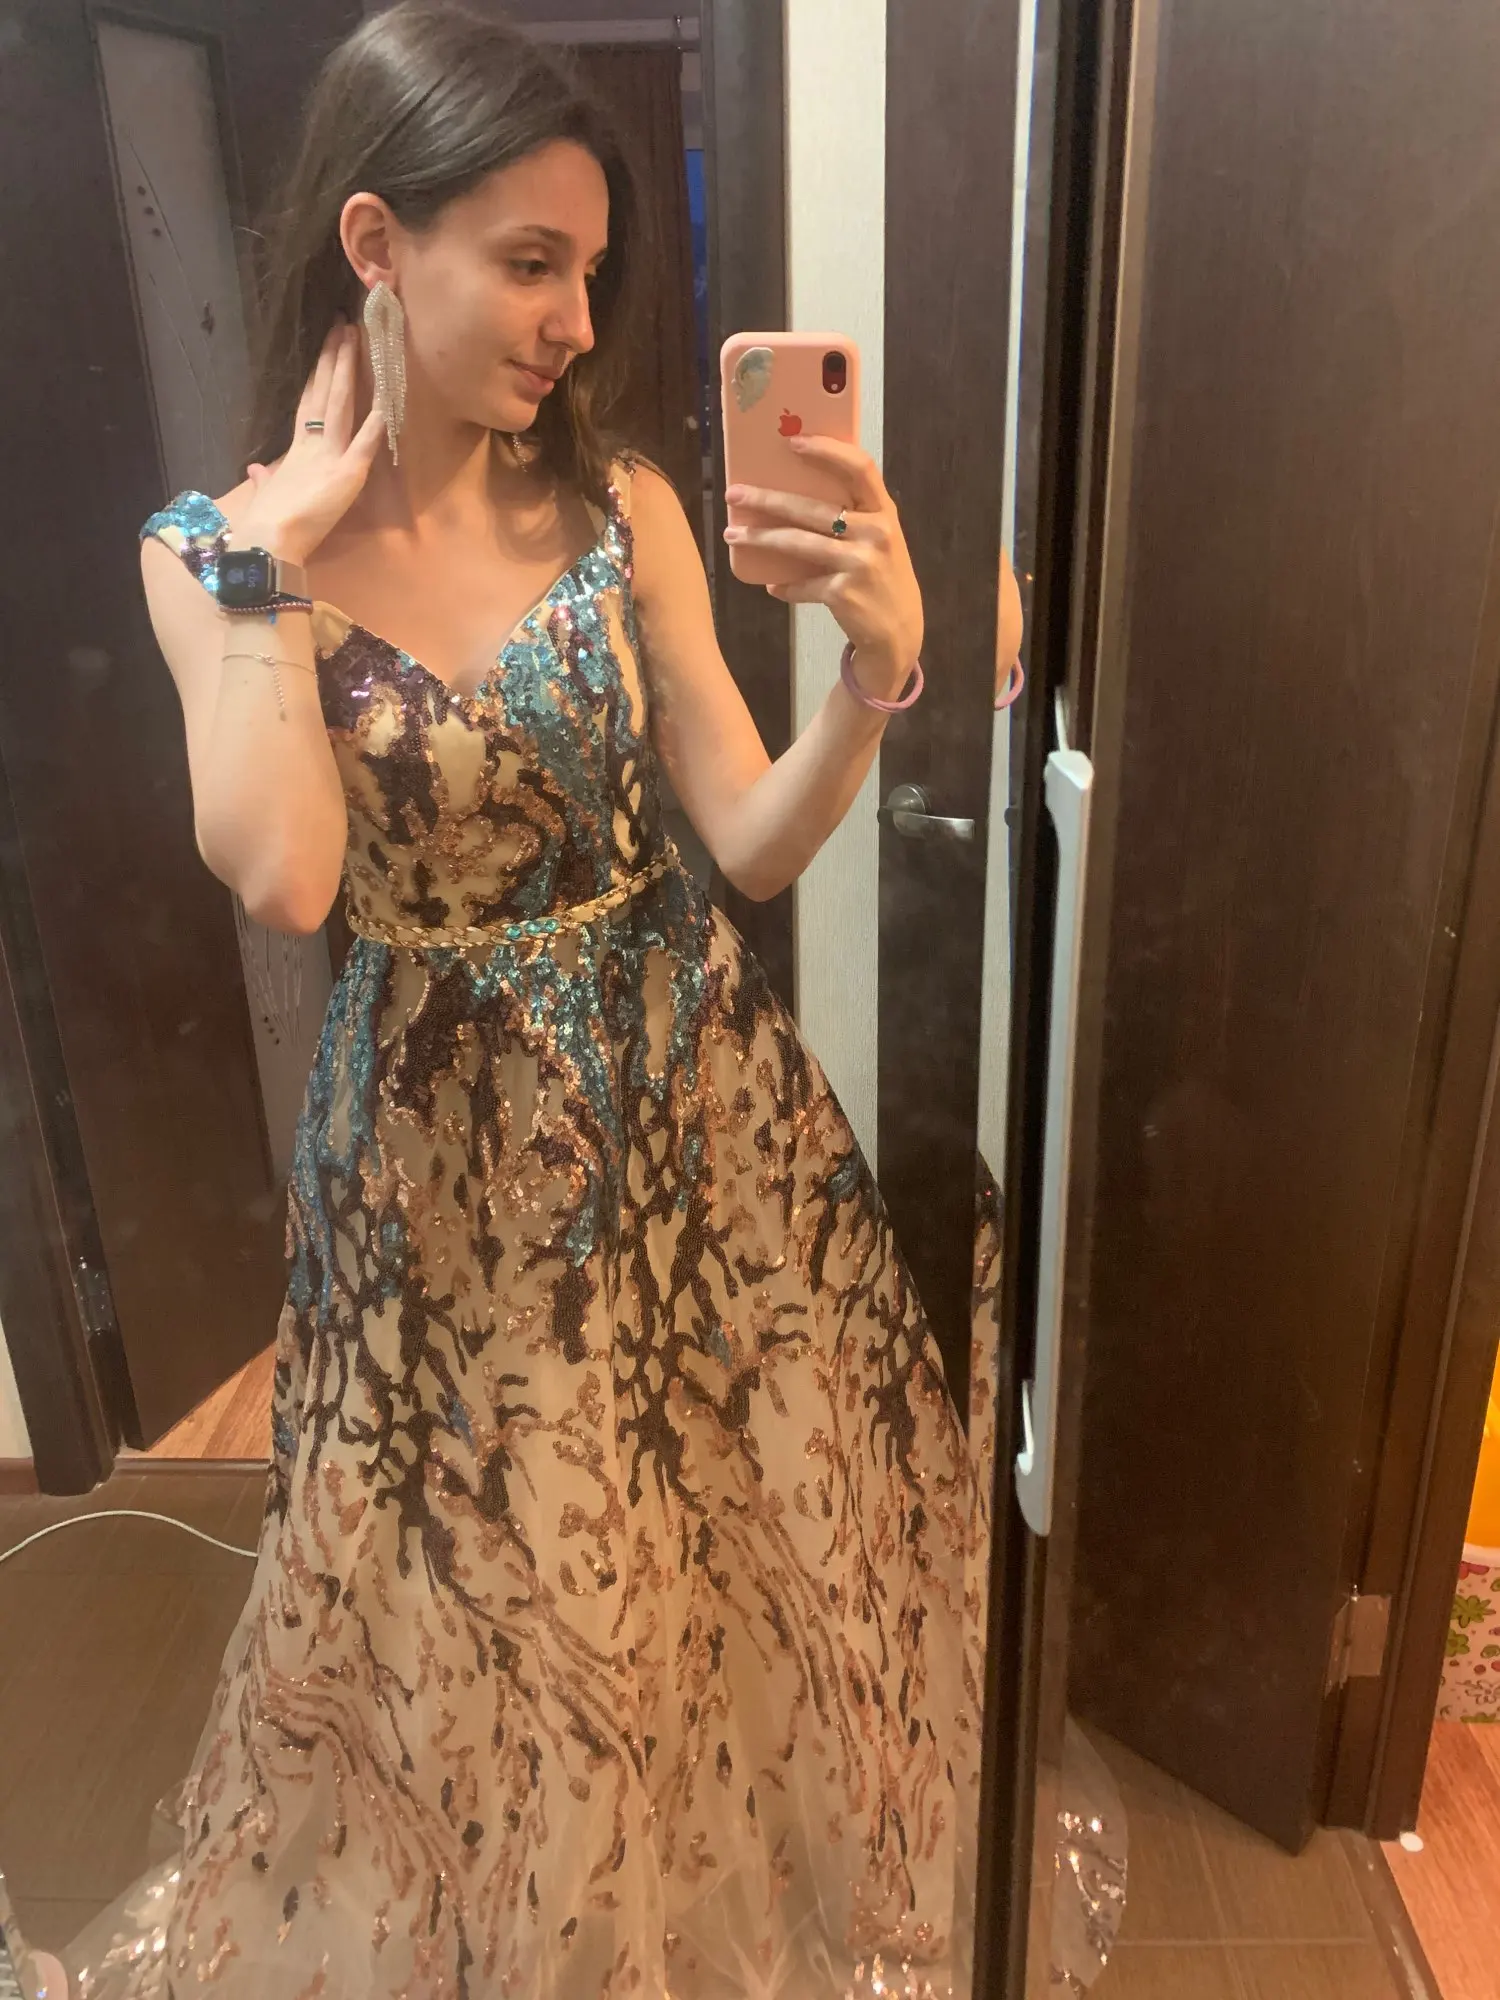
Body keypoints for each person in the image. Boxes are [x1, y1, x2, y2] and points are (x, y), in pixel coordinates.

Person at [73, 6, 990, 1996]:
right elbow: (284, 875)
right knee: (484, 1559)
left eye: (594, 267)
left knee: (691, 1516)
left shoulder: (620, 506)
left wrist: (874, 679)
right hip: (438, 1165)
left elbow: (748, 841)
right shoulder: (209, 559)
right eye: (531, 261)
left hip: (687, 1102)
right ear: (377, 243)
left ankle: (669, 1917)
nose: (581, 319)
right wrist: (278, 569)